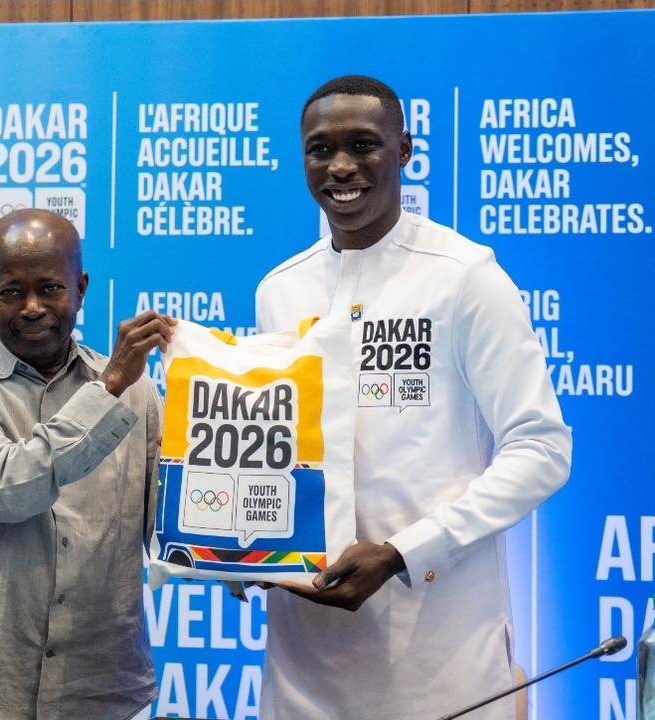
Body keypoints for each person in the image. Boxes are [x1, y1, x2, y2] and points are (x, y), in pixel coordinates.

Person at [254, 75, 572, 720]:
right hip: (304, 659)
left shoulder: (464, 277)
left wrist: (405, 552)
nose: (340, 167)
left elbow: (541, 449)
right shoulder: (279, 290)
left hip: (441, 650)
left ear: (403, 151)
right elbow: (278, 452)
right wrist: (240, 548)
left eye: (363, 145)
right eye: (320, 149)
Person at [0, 208, 175, 720]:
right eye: (12, 292)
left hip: (98, 691)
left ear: (81, 289)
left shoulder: (137, 391)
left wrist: (255, 557)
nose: (32, 308)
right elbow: (2, 488)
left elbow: (170, 522)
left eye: (50, 288)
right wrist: (108, 389)